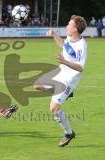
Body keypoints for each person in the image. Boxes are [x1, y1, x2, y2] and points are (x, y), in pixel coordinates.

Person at [35, 15, 87, 147]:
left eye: (69, 25)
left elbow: (80, 68)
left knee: (54, 108)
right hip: (61, 71)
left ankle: (69, 133)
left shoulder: (81, 45)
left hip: (70, 77)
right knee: (38, 85)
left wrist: (64, 61)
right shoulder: (70, 38)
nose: (66, 26)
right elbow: (64, 45)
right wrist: (54, 34)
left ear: (75, 29)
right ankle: (65, 93)